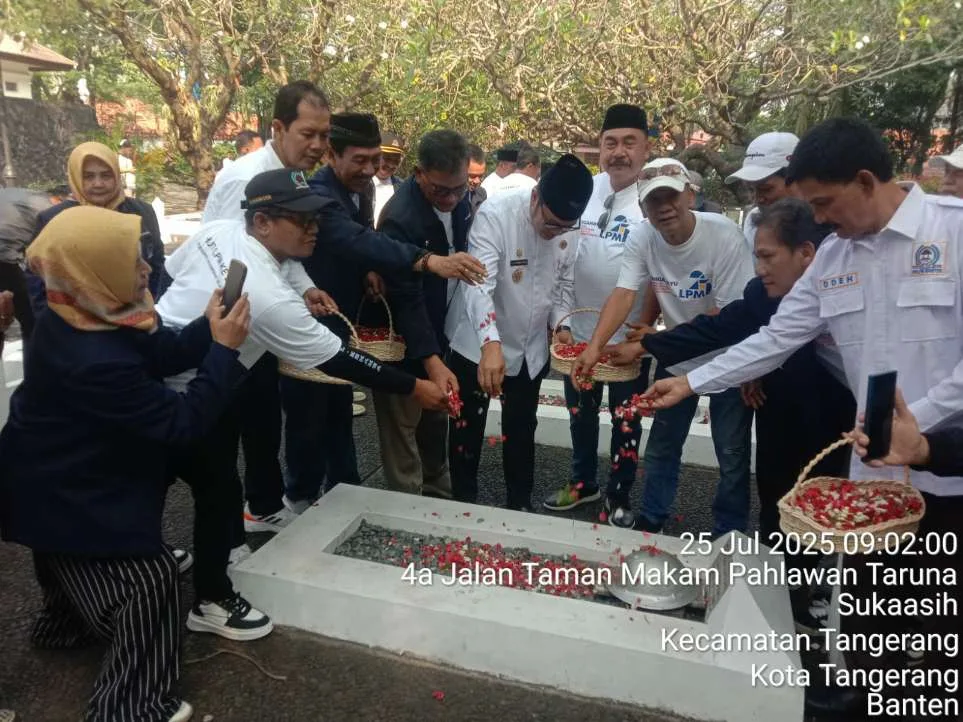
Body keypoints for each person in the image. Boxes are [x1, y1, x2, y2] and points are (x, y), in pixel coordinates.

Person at [643, 117, 963, 721]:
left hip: (948, 477)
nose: (819, 218)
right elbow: (777, 337)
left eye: (824, 203)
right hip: (874, 485)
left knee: (939, 633)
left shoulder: (953, 235)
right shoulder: (836, 255)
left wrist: (917, 423)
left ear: (866, 181)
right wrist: (690, 382)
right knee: (872, 622)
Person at [157, 168, 446, 640]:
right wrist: (415, 388)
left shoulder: (221, 231)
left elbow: (174, 273)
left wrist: (304, 285)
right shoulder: (267, 299)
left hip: (164, 357)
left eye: (316, 217)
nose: (315, 227)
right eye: (302, 220)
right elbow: (342, 361)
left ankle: (147, 554)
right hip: (187, 385)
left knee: (179, 479)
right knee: (216, 490)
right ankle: (208, 598)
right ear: (264, 222)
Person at [0, 205, 252, 722]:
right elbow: (182, 423)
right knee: (150, 577)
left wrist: (207, 330)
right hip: (65, 489)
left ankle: (65, 626)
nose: (147, 269)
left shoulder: (84, 309)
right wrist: (224, 353)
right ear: (93, 271)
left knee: (70, 563)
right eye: (133, 261)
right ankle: (132, 704)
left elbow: (161, 352)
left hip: (53, 475)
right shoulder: (94, 359)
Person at [606, 197, 855, 629]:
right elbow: (729, 332)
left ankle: (821, 592)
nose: (757, 268)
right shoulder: (765, 294)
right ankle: (782, 591)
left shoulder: (847, 289)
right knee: (779, 498)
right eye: (756, 256)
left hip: (842, 413)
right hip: (783, 405)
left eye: (766, 256)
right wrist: (655, 351)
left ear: (806, 255)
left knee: (830, 507)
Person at [572, 157, 754, 535]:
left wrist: (647, 346)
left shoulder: (724, 236)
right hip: (675, 358)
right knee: (662, 447)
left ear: (690, 194)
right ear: (643, 207)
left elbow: (726, 318)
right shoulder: (643, 236)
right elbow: (624, 293)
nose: (665, 207)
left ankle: (729, 533)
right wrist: (593, 348)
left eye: (672, 195)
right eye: (654, 200)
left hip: (730, 358)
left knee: (732, 455)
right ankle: (652, 517)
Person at [446, 154, 593, 510]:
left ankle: (519, 502)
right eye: (550, 222)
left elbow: (562, 285)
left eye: (564, 227)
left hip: (530, 349)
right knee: (467, 426)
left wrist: (563, 329)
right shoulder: (497, 215)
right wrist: (490, 343)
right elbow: (477, 284)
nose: (555, 232)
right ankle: (463, 500)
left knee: (522, 428)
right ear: (535, 198)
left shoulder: (569, 229)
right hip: (478, 344)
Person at [541, 103, 653, 524]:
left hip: (626, 340)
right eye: (610, 143)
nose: (619, 152)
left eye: (629, 143)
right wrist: (564, 321)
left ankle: (620, 494)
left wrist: (647, 332)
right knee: (580, 415)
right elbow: (564, 260)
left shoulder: (653, 198)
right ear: (599, 148)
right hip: (581, 334)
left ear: (645, 149)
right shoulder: (584, 190)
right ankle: (582, 482)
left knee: (627, 420)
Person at [375, 130, 472, 497]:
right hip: (404, 341)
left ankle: (439, 494)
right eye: (440, 191)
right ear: (418, 173)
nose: (450, 199)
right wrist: (430, 359)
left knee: (436, 419)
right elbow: (405, 297)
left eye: (459, 189)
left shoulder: (462, 202)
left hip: (443, 330)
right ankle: (407, 507)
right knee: (402, 428)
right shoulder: (400, 218)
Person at [30, 143, 165, 305]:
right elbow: (37, 276)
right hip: (76, 318)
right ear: (75, 178)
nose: (98, 184)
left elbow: (156, 263)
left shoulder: (141, 212)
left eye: (106, 175)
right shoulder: (55, 219)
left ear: (117, 175)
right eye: (88, 177)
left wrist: (153, 306)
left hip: (137, 314)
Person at [203, 81, 332, 223]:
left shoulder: (294, 175)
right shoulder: (247, 179)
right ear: (278, 129)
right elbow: (229, 242)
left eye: (324, 136)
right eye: (308, 134)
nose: (318, 145)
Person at [0, 186, 68, 341]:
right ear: (58, 198)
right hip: (6, 258)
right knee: (31, 320)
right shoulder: (47, 206)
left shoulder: (18, 194)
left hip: (6, 255)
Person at [724, 131, 798, 251]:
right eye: (751, 189)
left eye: (766, 189)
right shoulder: (754, 221)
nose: (758, 198)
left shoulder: (828, 225)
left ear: (796, 180)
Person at [373, 132, 405, 226]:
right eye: (386, 158)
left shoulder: (402, 188)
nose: (391, 165)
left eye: (396, 161)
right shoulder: (360, 183)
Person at [466, 143, 488, 216]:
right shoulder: (446, 198)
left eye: (481, 176)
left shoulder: (481, 194)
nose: (477, 181)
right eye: (472, 176)